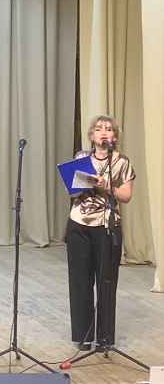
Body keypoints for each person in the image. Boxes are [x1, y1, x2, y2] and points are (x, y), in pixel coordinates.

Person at [66, 115, 135, 350]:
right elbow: (73, 193)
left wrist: (106, 186)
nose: (103, 132)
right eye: (98, 129)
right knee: (80, 282)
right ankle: (84, 336)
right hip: (79, 224)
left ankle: (105, 339)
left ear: (114, 136)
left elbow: (126, 196)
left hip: (107, 226)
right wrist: (84, 183)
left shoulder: (121, 162)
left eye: (108, 129)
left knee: (106, 281)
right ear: (91, 135)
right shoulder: (81, 158)